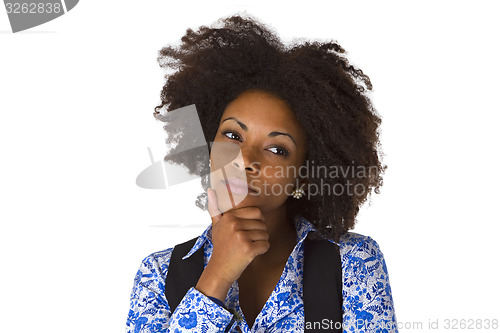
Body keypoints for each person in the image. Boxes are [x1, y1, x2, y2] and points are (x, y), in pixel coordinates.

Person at [126, 14, 398, 333]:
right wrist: (216, 277)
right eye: (232, 135)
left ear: (304, 175)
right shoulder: (158, 274)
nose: (245, 158)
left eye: (277, 149)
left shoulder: (352, 263)